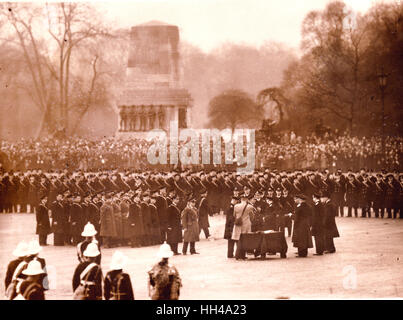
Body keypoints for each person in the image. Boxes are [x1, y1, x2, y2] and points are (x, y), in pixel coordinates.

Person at [231, 193, 253, 260]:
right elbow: (252, 216)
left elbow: (234, 215)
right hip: (246, 224)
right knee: (245, 239)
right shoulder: (250, 206)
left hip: (238, 224)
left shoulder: (236, 206)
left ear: (240, 199)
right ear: (246, 199)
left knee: (238, 239)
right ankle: (243, 255)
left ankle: (238, 255)